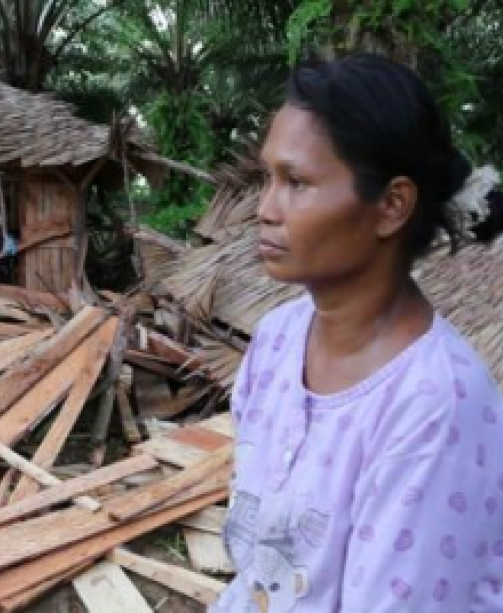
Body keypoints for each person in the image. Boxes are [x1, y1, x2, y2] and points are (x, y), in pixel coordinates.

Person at [211, 54, 503, 612]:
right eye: (266, 178)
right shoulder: (276, 340)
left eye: (296, 181)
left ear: (391, 206)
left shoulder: (435, 406)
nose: (265, 209)